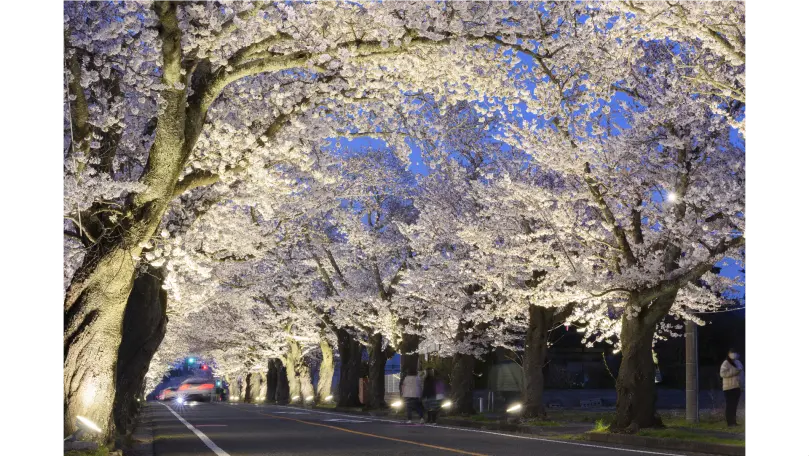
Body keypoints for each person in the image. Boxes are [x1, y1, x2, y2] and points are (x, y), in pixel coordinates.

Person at [719, 348, 745, 426]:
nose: (734, 354)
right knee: (730, 405)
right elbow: (722, 374)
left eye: (735, 353)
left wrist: (743, 386)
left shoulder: (739, 362)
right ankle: (730, 423)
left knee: (734, 406)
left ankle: (734, 422)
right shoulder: (726, 363)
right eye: (732, 353)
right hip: (729, 388)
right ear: (729, 354)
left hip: (737, 387)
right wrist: (734, 372)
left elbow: (742, 376)